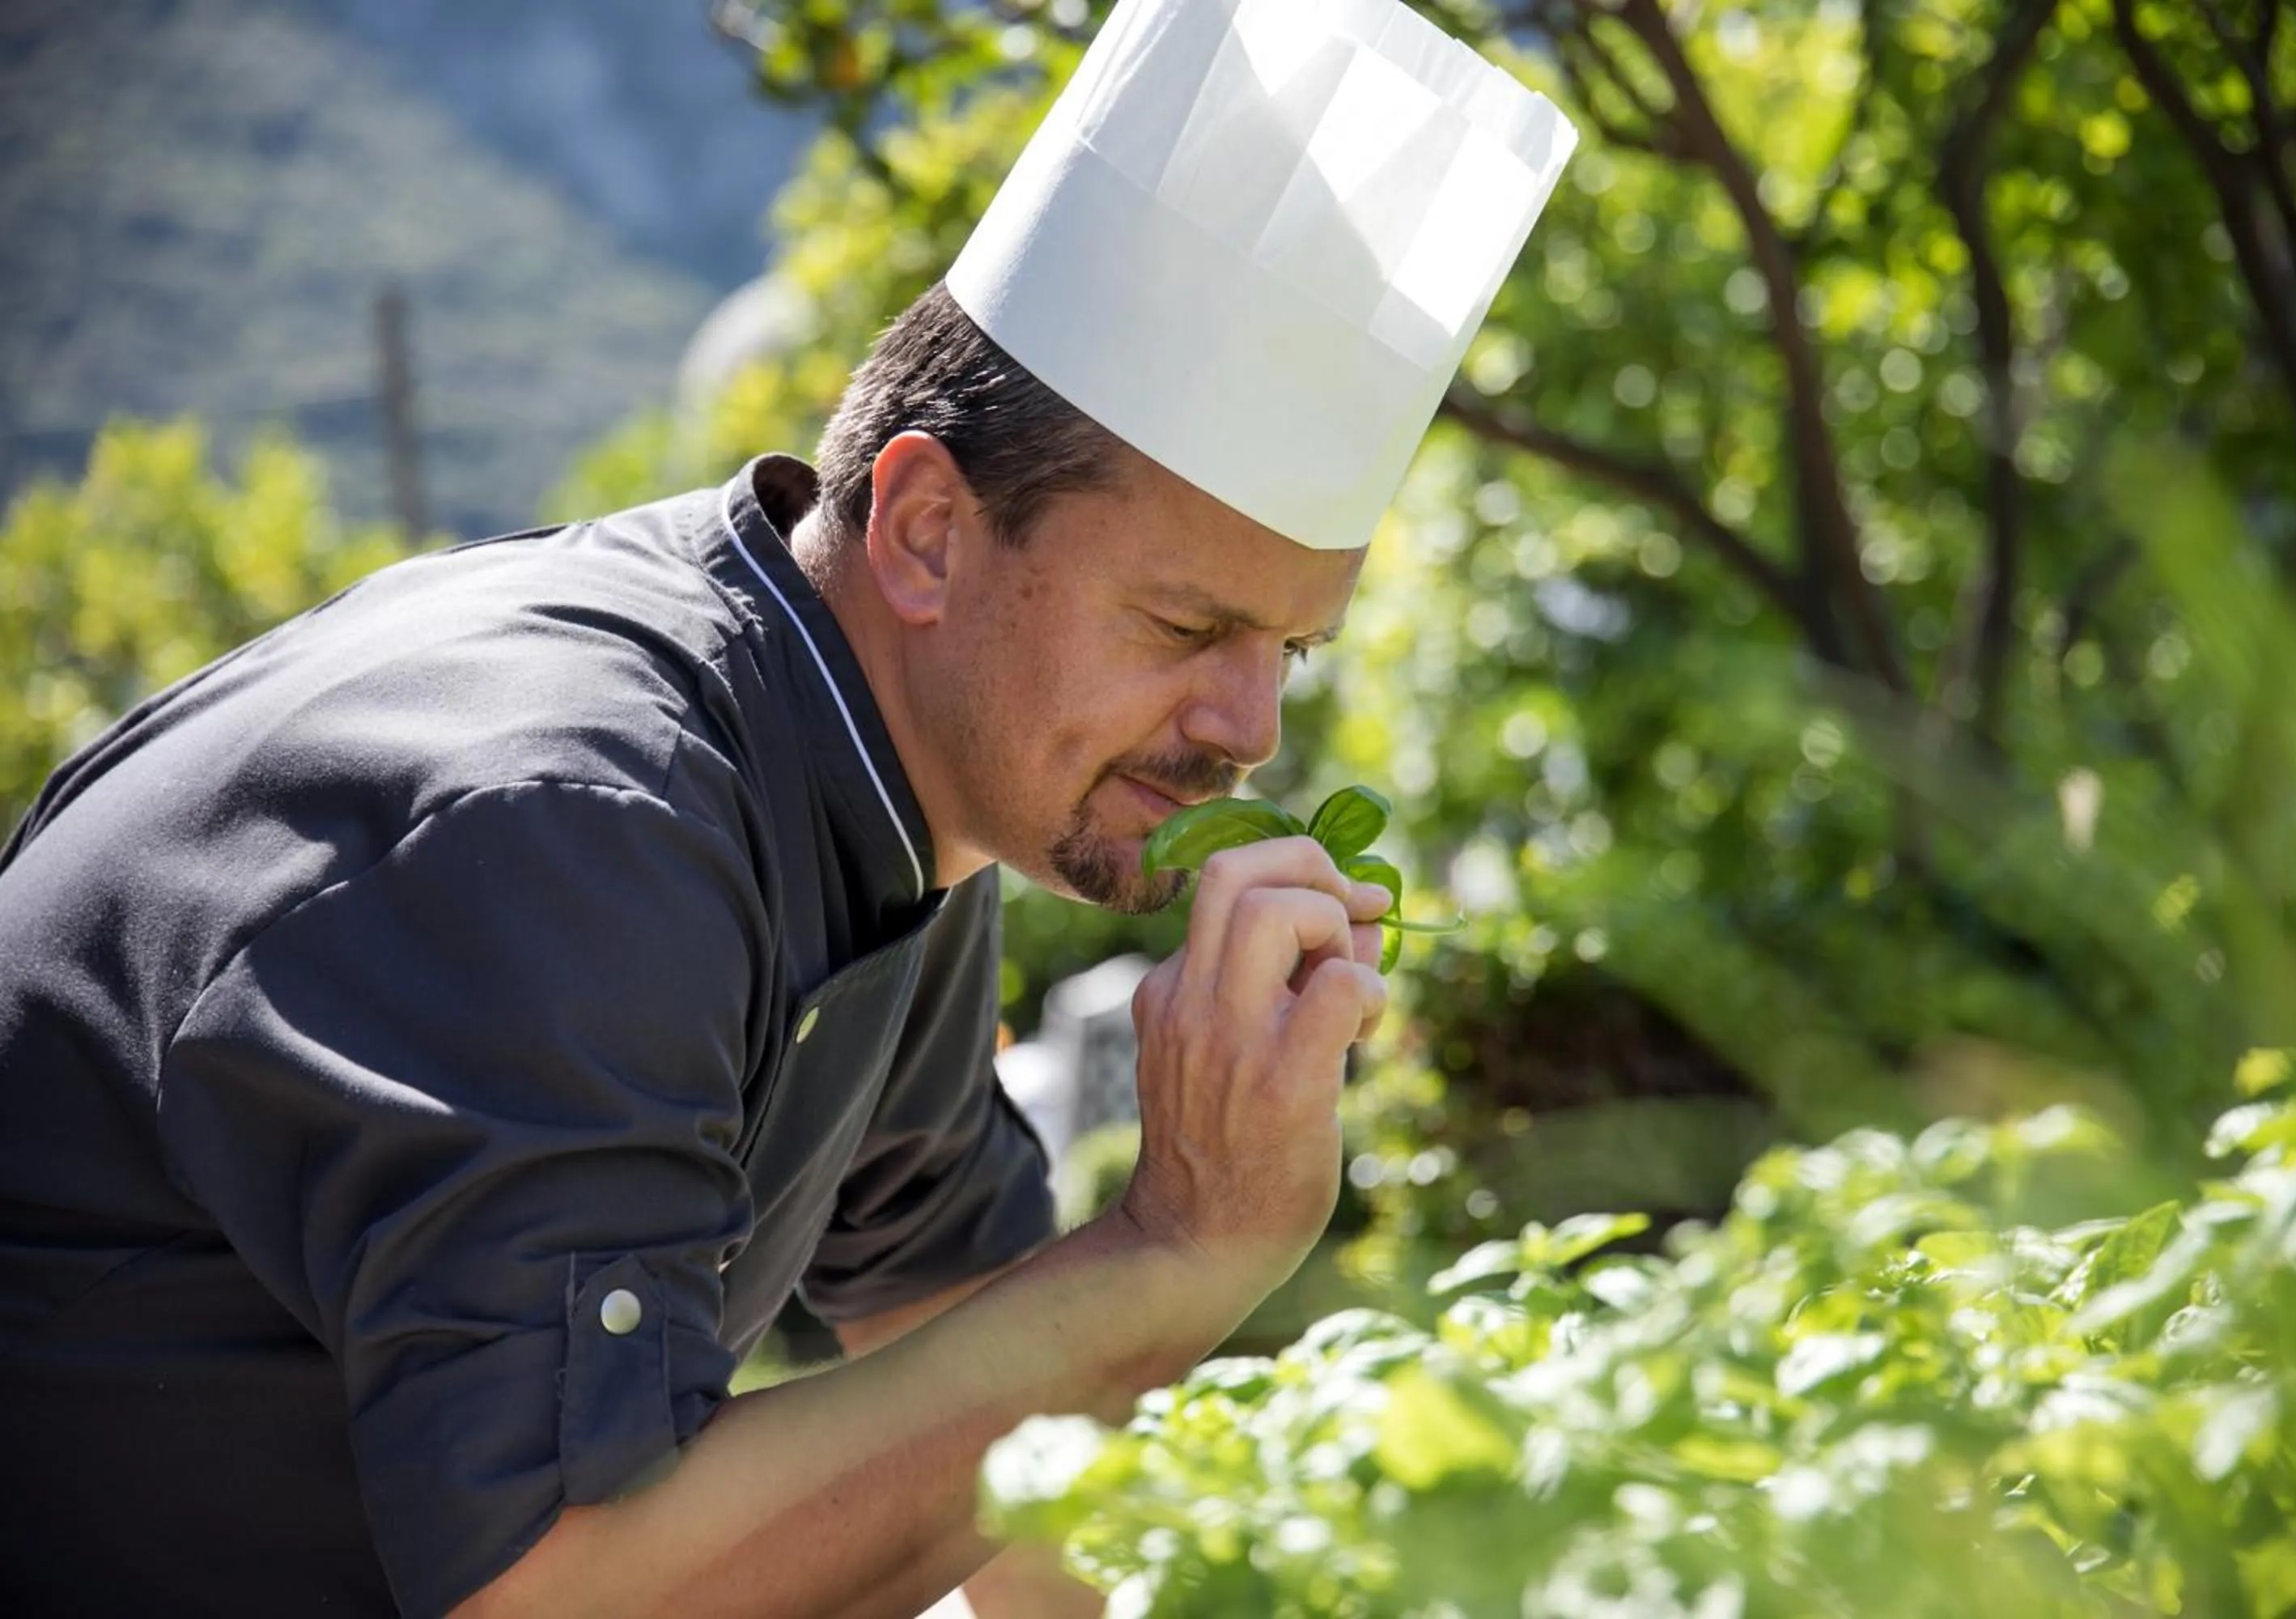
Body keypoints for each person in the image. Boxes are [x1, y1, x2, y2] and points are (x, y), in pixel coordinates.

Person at [0, 0, 1574, 1613]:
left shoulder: (901, 809)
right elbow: (570, 1590)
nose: (1254, 725)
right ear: (924, 530)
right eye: (1186, 629)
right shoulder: (584, 828)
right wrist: (1177, 1246)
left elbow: (990, 1411)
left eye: (1290, 647)